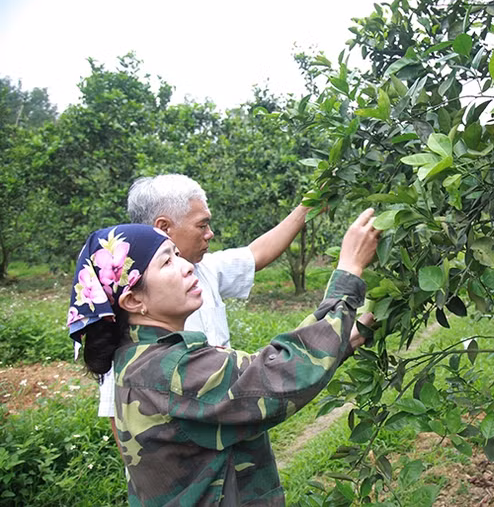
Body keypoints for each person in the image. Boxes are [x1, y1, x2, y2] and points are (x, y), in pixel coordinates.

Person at [67, 208, 380, 506]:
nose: (186, 266)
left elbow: (255, 372)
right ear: (134, 300)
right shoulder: (171, 370)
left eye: (176, 255)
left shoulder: (141, 357)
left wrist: (348, 337)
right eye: (166, 263)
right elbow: (279, 375)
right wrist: (348, 272)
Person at [98, 174, 312, 422]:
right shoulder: (129, 308)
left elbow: (257, 254)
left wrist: (307, 206)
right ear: (164, 227)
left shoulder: (201, 269)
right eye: (202, 225)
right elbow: (120, 413)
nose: (210, 234)